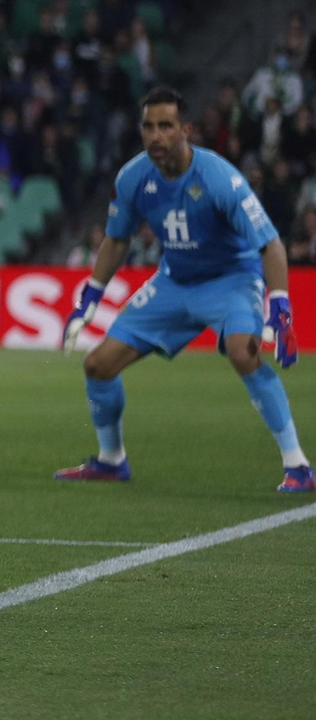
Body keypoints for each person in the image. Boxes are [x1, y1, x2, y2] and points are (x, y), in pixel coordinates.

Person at [60, 87, 309, 492]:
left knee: (243, 351)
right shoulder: (133, 177)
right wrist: (90, 297)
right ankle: (111, 460)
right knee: (97, 366)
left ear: (185, 130)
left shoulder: (219, 178)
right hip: (174, 281)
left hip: (232, 278)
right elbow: (117, 240)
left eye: (165, 126)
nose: (155, 135)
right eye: (148, 126)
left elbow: (270, 243)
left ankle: (297, 465)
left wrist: (279, 305)